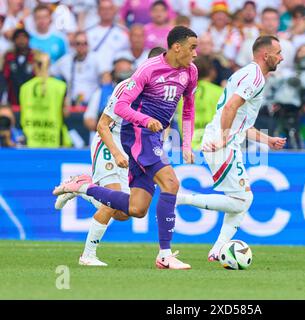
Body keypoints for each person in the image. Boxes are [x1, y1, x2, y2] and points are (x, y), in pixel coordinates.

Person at [53, 26, 198, 270]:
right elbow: (103, 125)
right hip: (113, 143)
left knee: (131, 210)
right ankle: (93, 254)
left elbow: (184, 109)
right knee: (168, 184)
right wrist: (119, 153)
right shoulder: (131, 83)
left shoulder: (187, 73)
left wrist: (185, 143)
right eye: (192, 48)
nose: (196, 53)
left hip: (142, 143)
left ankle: (84, 187)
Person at [175, 36, 286, 261]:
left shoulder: (248, 74)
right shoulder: (254, 77)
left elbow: (242, 122)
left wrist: (267, 140)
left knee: (240, 201)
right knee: (242, 200)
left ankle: (217, 251)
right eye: (279, 52)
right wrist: (224, 138)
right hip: (221, 142)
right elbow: (230, 108)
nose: (282, 57)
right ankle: (181, 198)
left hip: (224, 139)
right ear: (266, 55)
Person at [19, 52, 72, 148]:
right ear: (49, 65)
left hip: (30, 139)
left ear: (34, 65)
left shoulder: (25, 87)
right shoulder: (60, 86)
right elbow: (66, 113)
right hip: (54, 138)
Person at [176, 55, 223, 149]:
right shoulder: (220, 92)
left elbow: (181, 122)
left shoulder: (183, 94)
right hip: (213, 147)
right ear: (211, 72)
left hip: (190, 148)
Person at [83, 53, 135, 133]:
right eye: (120, 67)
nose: (123, 70)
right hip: (104, 137)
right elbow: (89, 119)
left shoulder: (139, 92)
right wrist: (104, 127)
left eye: (126, 69)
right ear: (114, 70)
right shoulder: (101, 92)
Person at [50, 31, 104, 107]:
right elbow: (50, 73)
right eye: (78, 43)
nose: (81, 46)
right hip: (70, 105)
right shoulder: (66, 60)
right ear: (73, 45)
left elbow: (106, 77)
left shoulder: (96, 59)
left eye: (84, 43)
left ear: (88, 45)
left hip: (91, 106)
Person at [2, 28, 35, 106]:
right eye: (18, 37)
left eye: (24, 37)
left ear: (28, 39)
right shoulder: (9, 57)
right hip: (13, 101)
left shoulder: (35, 57)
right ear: (14, 41)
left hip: (31, 101)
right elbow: (4, 78)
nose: (21, 40)